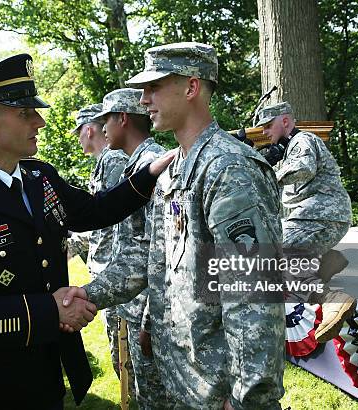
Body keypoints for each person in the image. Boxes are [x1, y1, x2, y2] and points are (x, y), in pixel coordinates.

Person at [0, 54, 173, 410]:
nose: (40, 121)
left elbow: (95, 210)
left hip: (47, 372)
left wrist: (154, 168)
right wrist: (48, 312)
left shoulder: (38, 176)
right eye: (25, 114)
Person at [66, 42, 286, 409]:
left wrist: (249, 396)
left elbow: (253, 293)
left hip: (218, 388)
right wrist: (91, 295)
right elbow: (151, 258)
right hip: (181, 376)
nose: (144, 100)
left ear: (191, 87)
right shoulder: (173, 171)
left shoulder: (228, 169)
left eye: (154, 87)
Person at [92, 88, 168, 409]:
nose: (102, 129)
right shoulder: (134, 167)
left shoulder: (153, 166)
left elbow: (163, 252)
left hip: (152, 315)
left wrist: (150, 319)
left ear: (123, 119)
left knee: (158, 400)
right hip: (134, 309)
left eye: (106, 120)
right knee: (140, 394)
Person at [256, 101, 355, 343]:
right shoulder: (290, 147)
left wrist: (269, 172)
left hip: (319, 215)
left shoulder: (303, 140)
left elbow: (303, 168)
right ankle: (326, 262)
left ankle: (331, 299)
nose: (265, 132)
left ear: (285, 121)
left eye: (269, 126)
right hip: (316, 216)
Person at [70, 103, 128, 377]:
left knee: (127, 362)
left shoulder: (113, 161)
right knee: (121, 358)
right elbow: (99, 225)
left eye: (78, 132)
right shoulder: (104, 162)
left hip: (116, 272)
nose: (78, 138)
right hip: (107, 272)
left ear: (89, 129)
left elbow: (118, 222)